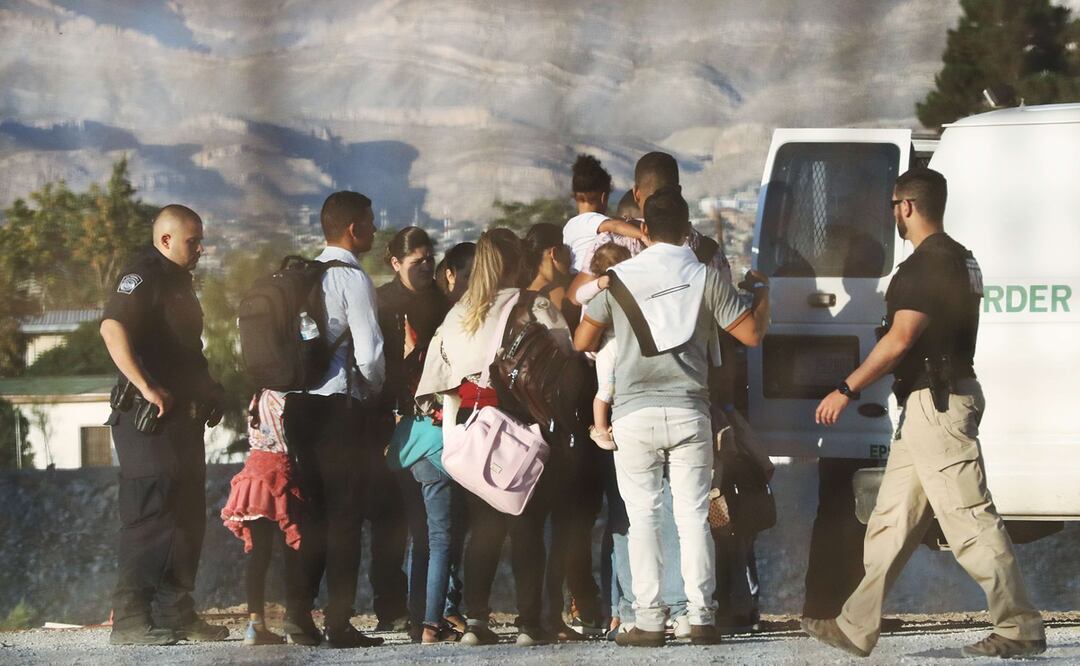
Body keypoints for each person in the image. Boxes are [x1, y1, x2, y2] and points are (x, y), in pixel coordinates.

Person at [804, 168, 1046, 659]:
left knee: (971, 521)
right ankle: (855, 624)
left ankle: (1019, 626)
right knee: (892, 521)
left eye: (894, 205)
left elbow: (901, 339)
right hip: (927, 406)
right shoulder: (960, 259)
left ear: (907, 207)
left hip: (937, 406)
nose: (892, 213)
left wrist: (845, 388)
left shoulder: (926, 265)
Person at [574, 187, 770, 648]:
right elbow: (752, 334)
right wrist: (764, 293)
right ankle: (701, 615)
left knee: (642, 517)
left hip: (633, 414)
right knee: (693, 516)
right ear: (686, 229)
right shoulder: (705, 276)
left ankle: (648, 618)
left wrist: (602, 293)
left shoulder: (621, 277)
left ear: (643, 229)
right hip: (689, 411)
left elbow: (584, 339)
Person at [416, 228, 570, 647]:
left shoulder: (459, 314)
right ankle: (528, 623)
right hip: (523, 428)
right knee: (527, 526)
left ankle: (478, 621)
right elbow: (566, 357)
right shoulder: (532, 305)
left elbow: (435, 380)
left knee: (483, 529)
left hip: (474, 430)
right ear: (517, 263)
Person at [100, 204, 229, 645]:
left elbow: (186, 350)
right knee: (150, 517)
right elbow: (112, 328)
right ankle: (131, 622)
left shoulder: (181, 283)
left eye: (200, 240)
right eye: (193, 241)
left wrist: (212, 390)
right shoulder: (144, 274)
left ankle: (176, 613)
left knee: (188, 518)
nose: (200, 249)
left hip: (183, 422)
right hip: (146, 422)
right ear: (166, 240)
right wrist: (146, 385)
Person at [281, 190, 385, 649]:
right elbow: (371, 352)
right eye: (371, 222)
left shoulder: (303, 275)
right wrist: (375, 391)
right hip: (338, 410)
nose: (376, 230)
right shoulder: (352, 279)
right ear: (354, 229)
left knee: (313, 517)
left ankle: (298, 616)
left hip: (298, 407)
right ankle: (339, 622)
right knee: (345, 517)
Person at [375, 226, 464, 643]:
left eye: (431, 259)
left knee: (432, 529)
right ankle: (420, 615)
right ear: (396, 263)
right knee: (422, 529)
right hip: (407, 426)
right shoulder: (384, 303)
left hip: (434, 424)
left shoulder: (440, 302)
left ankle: (432, 612)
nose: (427, 267)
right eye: (417, 262)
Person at [521, 222, 603, 640]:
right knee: (564, 526)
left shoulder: (513, 304)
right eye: (567, 254)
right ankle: (551, 616)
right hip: (557, 430)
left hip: (521, 431)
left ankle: (530, 617)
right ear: (553, 253)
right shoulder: (545, 309)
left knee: (530, 529)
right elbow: (571, 364)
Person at [220, 389, 303, 646]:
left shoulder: (257, 395)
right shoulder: (285, 397)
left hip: (253, 476)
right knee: (292, 552)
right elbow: (291, 439)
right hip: (279, 475)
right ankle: (295, 622)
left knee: (259, 554)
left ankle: (255, 625)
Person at [574, 242, 632, 450]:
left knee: (615, 384)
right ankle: (600, 427)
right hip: (604, 345)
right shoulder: (597, 287)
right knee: (607, 386)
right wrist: (601, 284)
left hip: (614, 341)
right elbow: (579, 296)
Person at [562, 154, 642, 274]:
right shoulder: (594, 220)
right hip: (591, 274)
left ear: (574, 196)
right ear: (604, 197)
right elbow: (614, 226)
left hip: (573, 276)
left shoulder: (569, 226)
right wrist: (643, 235)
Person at [435, 241, 476, 305]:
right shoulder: (434, 309)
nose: (477, 282)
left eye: (481, 276)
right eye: (468, 276)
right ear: (450, 276)